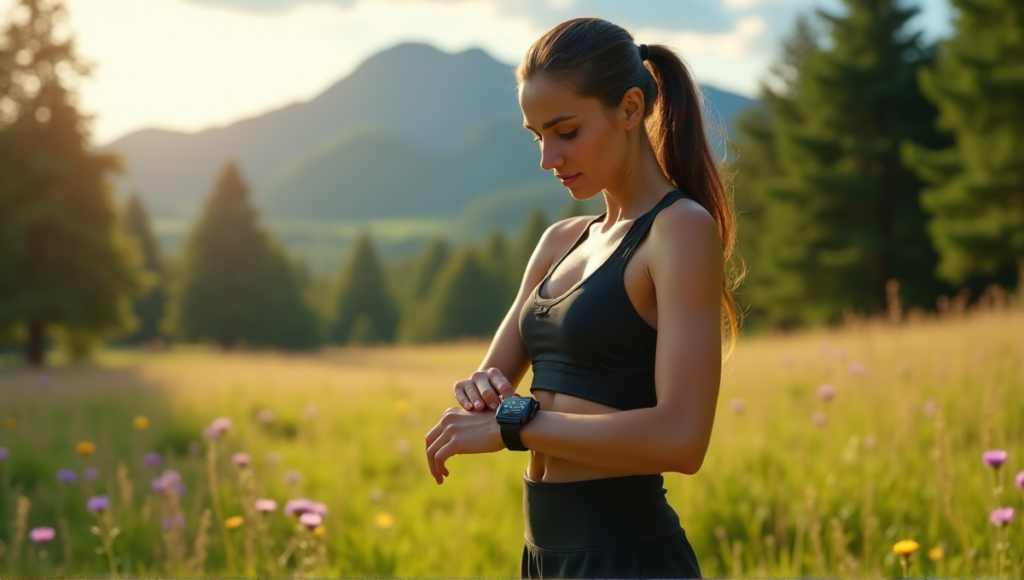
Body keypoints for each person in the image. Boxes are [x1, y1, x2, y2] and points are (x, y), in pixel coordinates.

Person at [424, 16, 741, 580]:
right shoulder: (560, 242)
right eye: (537, 135)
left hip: (626, 557)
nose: (548, 157)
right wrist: (480, 395)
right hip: (543, 555)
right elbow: (491, 387)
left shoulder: (679, 231)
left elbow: (682, 439)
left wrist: (513, 424)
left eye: (566, 131)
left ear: (630, 109)